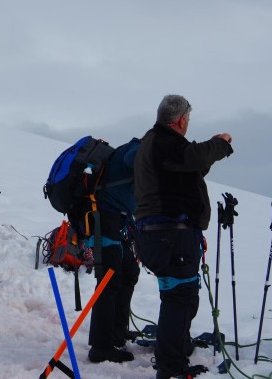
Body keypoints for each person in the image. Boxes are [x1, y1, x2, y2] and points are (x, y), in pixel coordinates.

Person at [133, 95, 233, 379]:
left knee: (181, 295)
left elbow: (190, 166)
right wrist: (222, 144)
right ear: (180, 121)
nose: (188, 123)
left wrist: (211, 152)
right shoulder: (164, 141)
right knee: (179, 296)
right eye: (187, 119)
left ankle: (175, 348)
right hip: (170, 235)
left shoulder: (156, 143)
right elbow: (193, 157)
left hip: (164, 234)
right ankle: (171, 366)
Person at [87, 137, 141, 364]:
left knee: (129, 272)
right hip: (104, 220)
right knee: (108, 281)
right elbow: (133, 160)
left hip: (116, 221)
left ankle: (116, 332)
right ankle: (101, 346)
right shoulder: (136, 151)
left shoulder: (132, 148)